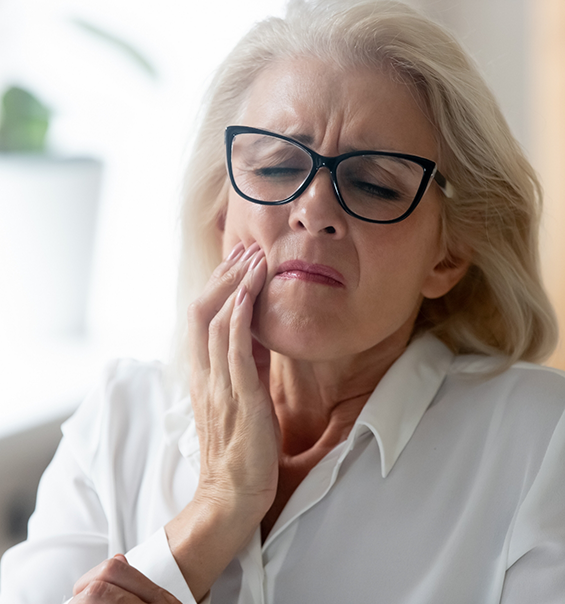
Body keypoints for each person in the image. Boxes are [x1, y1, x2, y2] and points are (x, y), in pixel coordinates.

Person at [1, 0, 564, 602]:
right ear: (222, 211)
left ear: (447, 257)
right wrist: (214, 513)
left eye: (374, 183)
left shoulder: (540, 442)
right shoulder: (119, 420)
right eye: (275, 168)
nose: (315, 210)